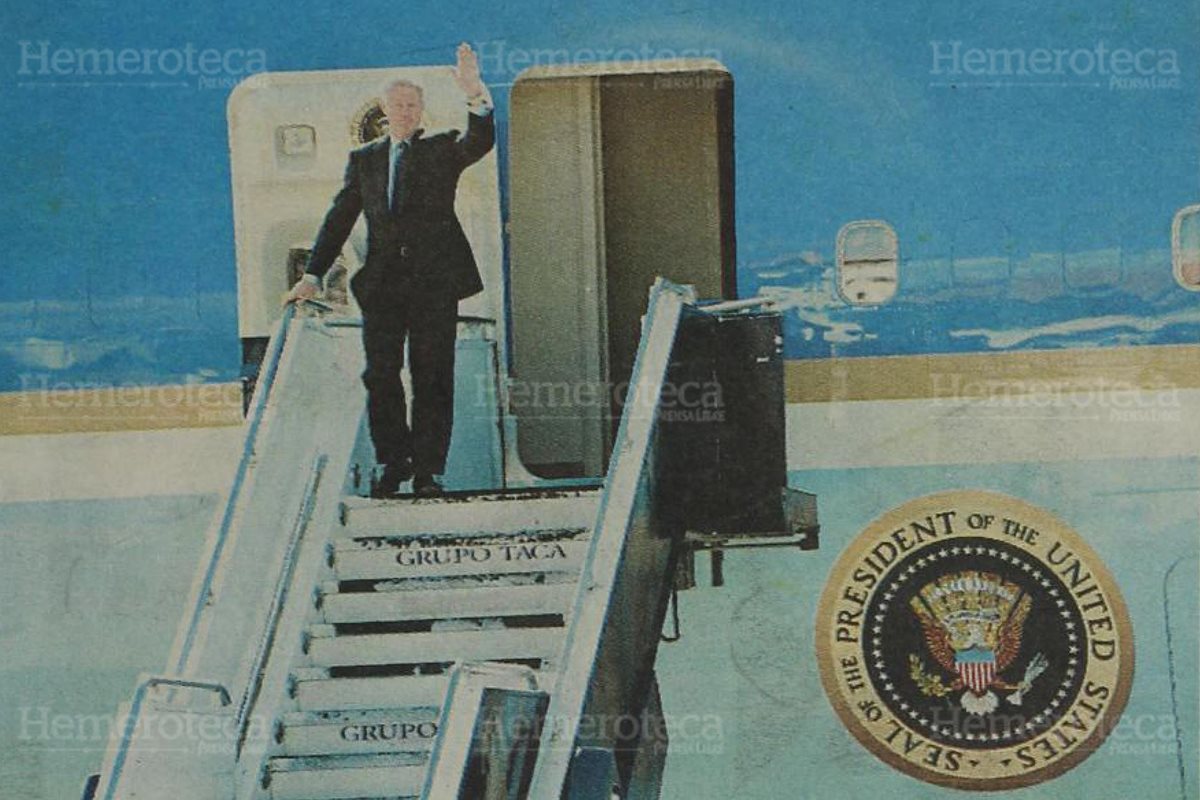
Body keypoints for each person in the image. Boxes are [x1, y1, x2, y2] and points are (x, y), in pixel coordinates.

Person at [286, 43, 494, 498]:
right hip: (382, 286)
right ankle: (393, 461)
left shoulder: (441, 148)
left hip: (434, 285)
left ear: (421, 110)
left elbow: (478, 142)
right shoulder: (364, 159)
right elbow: (340, 217)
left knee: (432, 376)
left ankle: (429, 472)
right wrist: (312, 275)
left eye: (412, 105)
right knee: (380, 375)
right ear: (384, 109)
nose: (405, 112)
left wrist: (474, 94)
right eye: (398, 105)